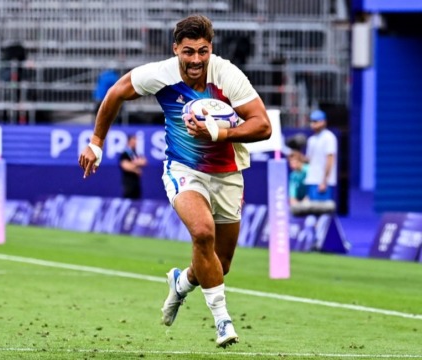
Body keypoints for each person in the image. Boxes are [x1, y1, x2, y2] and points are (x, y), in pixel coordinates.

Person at [78, 14, 272, 348]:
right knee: (202, 233)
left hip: (227, 175)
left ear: (210, 49)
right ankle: (223, 320)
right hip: (184, 170)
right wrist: (96, 142)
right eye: (188, 52)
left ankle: (181, 282)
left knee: (219, 265)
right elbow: (116, 93)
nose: (196, 59)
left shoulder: (227, 75)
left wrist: (221, 132)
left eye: (202, 51)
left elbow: (263, 126)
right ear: (176, 50)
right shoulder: (161, 74)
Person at [303, 110, 338, 205]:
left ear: (323, 122)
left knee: (323, 215)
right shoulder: (311, 140)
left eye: (315, 122)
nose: (312, 124)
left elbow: (330, 160)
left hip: (323, 183)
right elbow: (308, 160)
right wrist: (295, 154)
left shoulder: (329, 138)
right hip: (311, 181)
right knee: (312, 213)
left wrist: (324, 181)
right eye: (311, 121)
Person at [119, 133, 147, 199]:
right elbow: (125, 165)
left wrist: (134, 163)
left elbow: (144, 162)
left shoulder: (136, 153)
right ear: (129, 141)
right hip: (128, 183)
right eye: (134, 140)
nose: (136, 142)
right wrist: (136, 168)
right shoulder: (125, 153)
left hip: (136, 183)